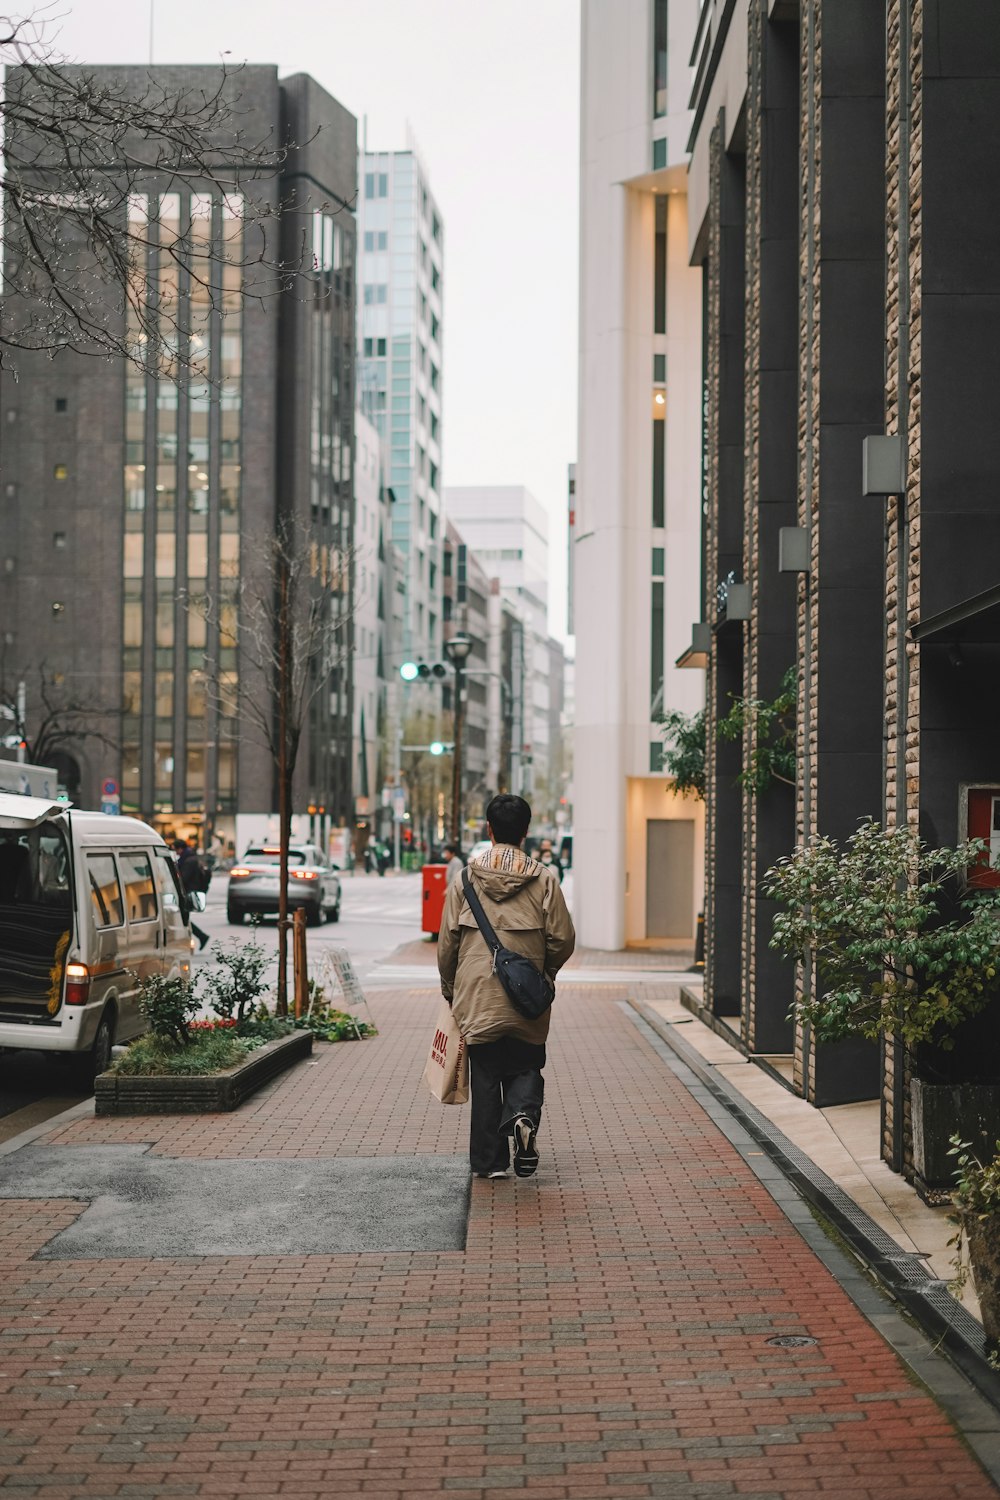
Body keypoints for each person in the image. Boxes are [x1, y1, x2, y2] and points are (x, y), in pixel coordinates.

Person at [437, 793, 575, 1181]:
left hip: (477, 994)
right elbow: (562, 938)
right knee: (526, 1062)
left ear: (489, 828)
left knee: (485, 1076)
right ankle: (522, 1115)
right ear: (527, 831)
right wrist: (543, 974)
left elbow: (447, 943)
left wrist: (451, 988)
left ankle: (490, 1162)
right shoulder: (544, 878)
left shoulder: (464, 879)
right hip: (527, 993)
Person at [175, 840, 210, 951]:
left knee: (183, 918)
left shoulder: (188, 861)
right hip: (191, 891)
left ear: (180, 848)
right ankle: (201, 937)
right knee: (184, 917)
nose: (176, 852)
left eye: (176, 849)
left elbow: (184, 878)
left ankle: (199, 938)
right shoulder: (190, 858)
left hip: (188, 892)